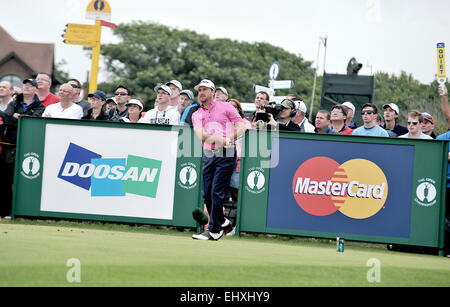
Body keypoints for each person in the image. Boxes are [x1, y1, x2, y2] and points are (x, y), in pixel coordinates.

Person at [191, 79, 246, 241]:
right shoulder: (196, 114)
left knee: (216, 192)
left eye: (204, 89)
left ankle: (214, 231)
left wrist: (229, 138)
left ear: (213, 92)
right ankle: (223, 222)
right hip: (209, 154)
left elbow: (241, 125)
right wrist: (221, 138)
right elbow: (201, 135)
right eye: (199, 90)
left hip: (227, 153)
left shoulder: (226, 107)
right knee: (206, 193)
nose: (201, 92)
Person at [0, 78, 45, 219]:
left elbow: (32, 122)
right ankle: (6, 211)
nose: (26, 87)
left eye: (30, 86)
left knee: (22, 179)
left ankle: (18, 211)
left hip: (28, 147)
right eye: (25, 85)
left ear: (35, 90)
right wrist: (17, 118)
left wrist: (18, 117)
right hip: (10, 146)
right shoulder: (14, 102)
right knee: (7, 180)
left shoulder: (40, 106)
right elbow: (5, 118)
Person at [436, 83, 450, 256]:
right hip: (445, 185)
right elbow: (447, 114)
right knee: (443, 220)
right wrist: (444, 95)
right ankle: (444, 250)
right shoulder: (443, 138)